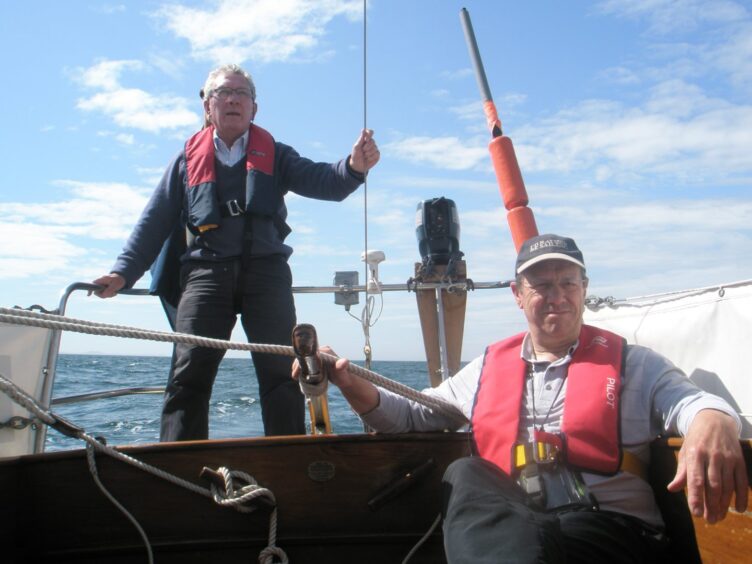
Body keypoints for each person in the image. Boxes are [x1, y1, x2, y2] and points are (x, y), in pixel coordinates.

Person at [296, 233, 749, 563]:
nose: (557, 297)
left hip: (612, 533)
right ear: (518, 295)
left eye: (567, 284)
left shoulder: (636, 364)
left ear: (584, 290)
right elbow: (414, 414)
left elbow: (688, 402)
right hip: (518, 532)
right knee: (465, 472)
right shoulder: (488, 367)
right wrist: (346, 379)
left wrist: (713, 419)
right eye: (541, 286)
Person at [92, 63, 380, 441]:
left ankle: (288, 459)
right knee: (187, 375)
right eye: (223, 93)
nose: (232, 100)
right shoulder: (185, 161)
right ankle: (178, 467)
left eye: (241, 94)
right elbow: (154, 221)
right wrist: (122, 273)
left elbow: (325, 180)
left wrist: (355, 166)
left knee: (281, 375)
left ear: (254, 109)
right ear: (208, 106)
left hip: (267, 275)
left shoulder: (276, 155)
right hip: (206, 274)